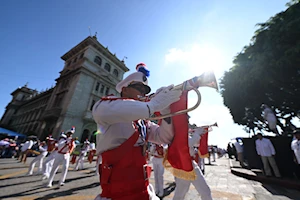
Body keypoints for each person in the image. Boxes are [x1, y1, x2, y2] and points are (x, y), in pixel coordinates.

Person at [92, 62, 182, 200]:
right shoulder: (105, 106)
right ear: (125, 89)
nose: (143, 93)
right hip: (116, 194)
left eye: (145, 91)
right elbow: (132, 109)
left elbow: (164, 137)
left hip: (144, 190)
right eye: (139, 88)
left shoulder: (142, 121)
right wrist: (155, 104)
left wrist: (166, 111)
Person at [173, 127, 212, 200]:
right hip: (183, 167)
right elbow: (189, 143)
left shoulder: (187, 135)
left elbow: (196, 144)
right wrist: (197, 133)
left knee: (205, 191)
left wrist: (201, 134)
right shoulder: (177, 135)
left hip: (192, 164)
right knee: (180, 194)